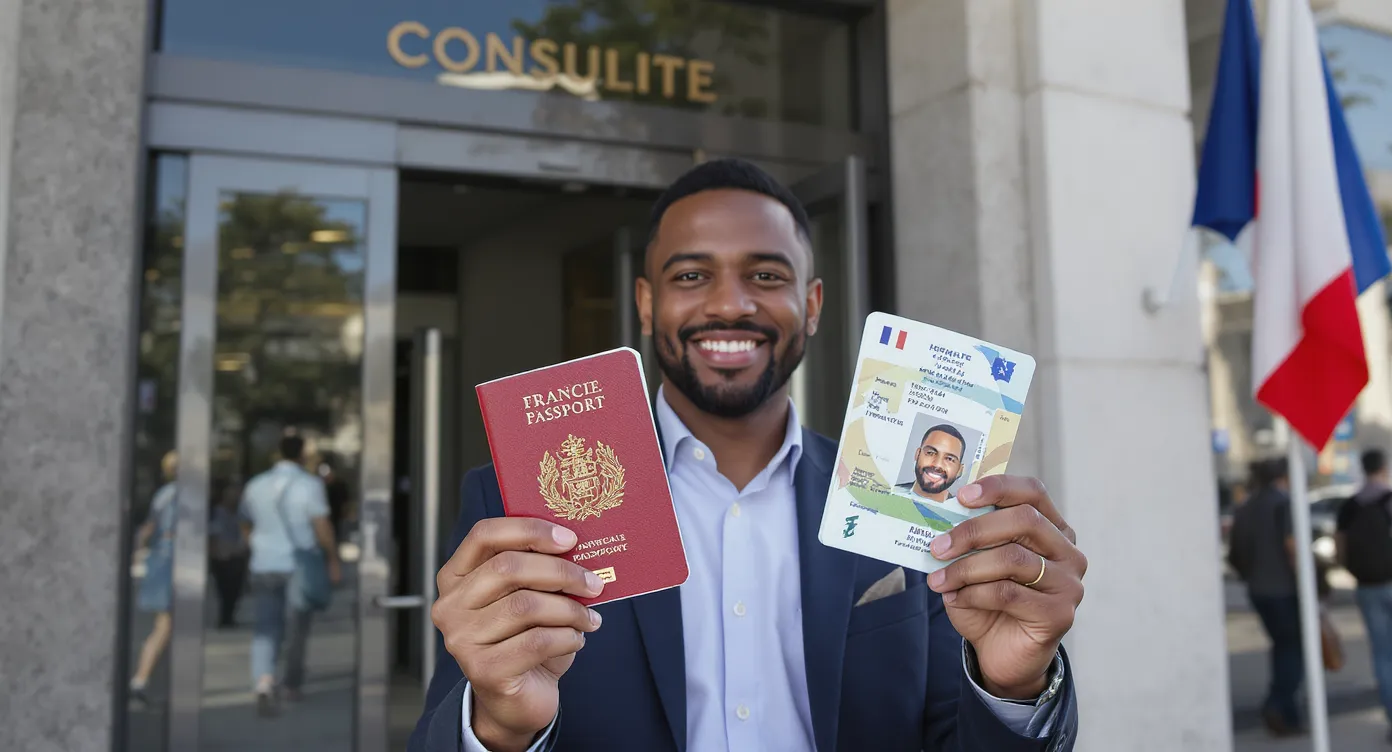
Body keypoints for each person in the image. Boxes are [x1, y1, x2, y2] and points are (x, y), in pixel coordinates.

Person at [411, 159, 1085, 751]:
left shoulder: (912, 506)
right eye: (691, 274)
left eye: (765, 274)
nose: (730, 303)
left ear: (812, 304)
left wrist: (1013, 684)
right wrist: (498, 728)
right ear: (646, 304)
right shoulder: (518, 502)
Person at [239, 434, 341, 716]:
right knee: (297, 627)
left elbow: (244, 521)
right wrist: (333, 559)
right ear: (302, 455)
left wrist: (256, 545)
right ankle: (291, 685)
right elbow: (321, 525)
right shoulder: (309, 485)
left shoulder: (256, 485)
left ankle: (263, 681)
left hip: (264, 563)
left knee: (265, 625)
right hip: (298, 565)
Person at [1227, 457, 1303, 736]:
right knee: (1292, 650)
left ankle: (1283, 708)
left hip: (1258, 589)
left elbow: (1235, 553)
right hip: (1284, 589)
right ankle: (1280, 706)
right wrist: (1308, 583)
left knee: (1282, 647)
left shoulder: (1246, 507)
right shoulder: (1283, 503)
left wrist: (1251, 574)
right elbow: (1292, 546)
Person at [1337, 448, 1392, 740]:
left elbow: (1339, 548)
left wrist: (1354, 571)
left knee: (1383, 655)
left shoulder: (1351, 505)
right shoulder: (1388, 499)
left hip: (1368, 585)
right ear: (1383, 467)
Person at [129, 450, 179, 706]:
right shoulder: (178, 495)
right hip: (172, 560)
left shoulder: (163, 494)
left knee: (166, 625)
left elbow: (148, 528)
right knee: (166, 626)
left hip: (162, 559)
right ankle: (141, 679)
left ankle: (145, 680)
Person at [209, 479, 249, 628]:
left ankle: (229, 616)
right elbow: (213, 534)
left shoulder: (242, 513)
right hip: (222, 556)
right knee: (224, 589)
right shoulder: (218, 512)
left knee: (236, 589)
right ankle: (225, 617)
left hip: (237, 555)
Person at [896, 424, 968, 503]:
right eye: (930, 453)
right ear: (917, 454)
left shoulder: (959, 512)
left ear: (959, 470)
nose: (937, 465)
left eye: (949, 459)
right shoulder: (892, 491)